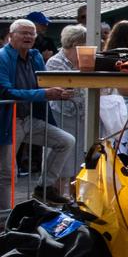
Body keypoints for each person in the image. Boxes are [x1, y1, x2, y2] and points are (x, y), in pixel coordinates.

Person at [2, 17, 77, 202]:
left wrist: (60, 91)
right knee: (6, 172)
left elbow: (44, 84)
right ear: (11, 36)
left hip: (29, 119)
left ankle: (44, 188)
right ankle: (4, 218)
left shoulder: (35, 56)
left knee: (66, 141)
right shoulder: (2, 57)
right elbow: (5, 91)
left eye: (32, 33)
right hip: (8, 120)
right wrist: (45, 94)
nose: (28, 36)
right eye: (24, 33)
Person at [44, 24, 88, 140]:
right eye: (86, 43)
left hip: (82, 115)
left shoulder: (87, 60)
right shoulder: (55, 62)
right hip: (61, 116)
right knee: (63, 151)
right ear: (76, 44)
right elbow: (58, 88)